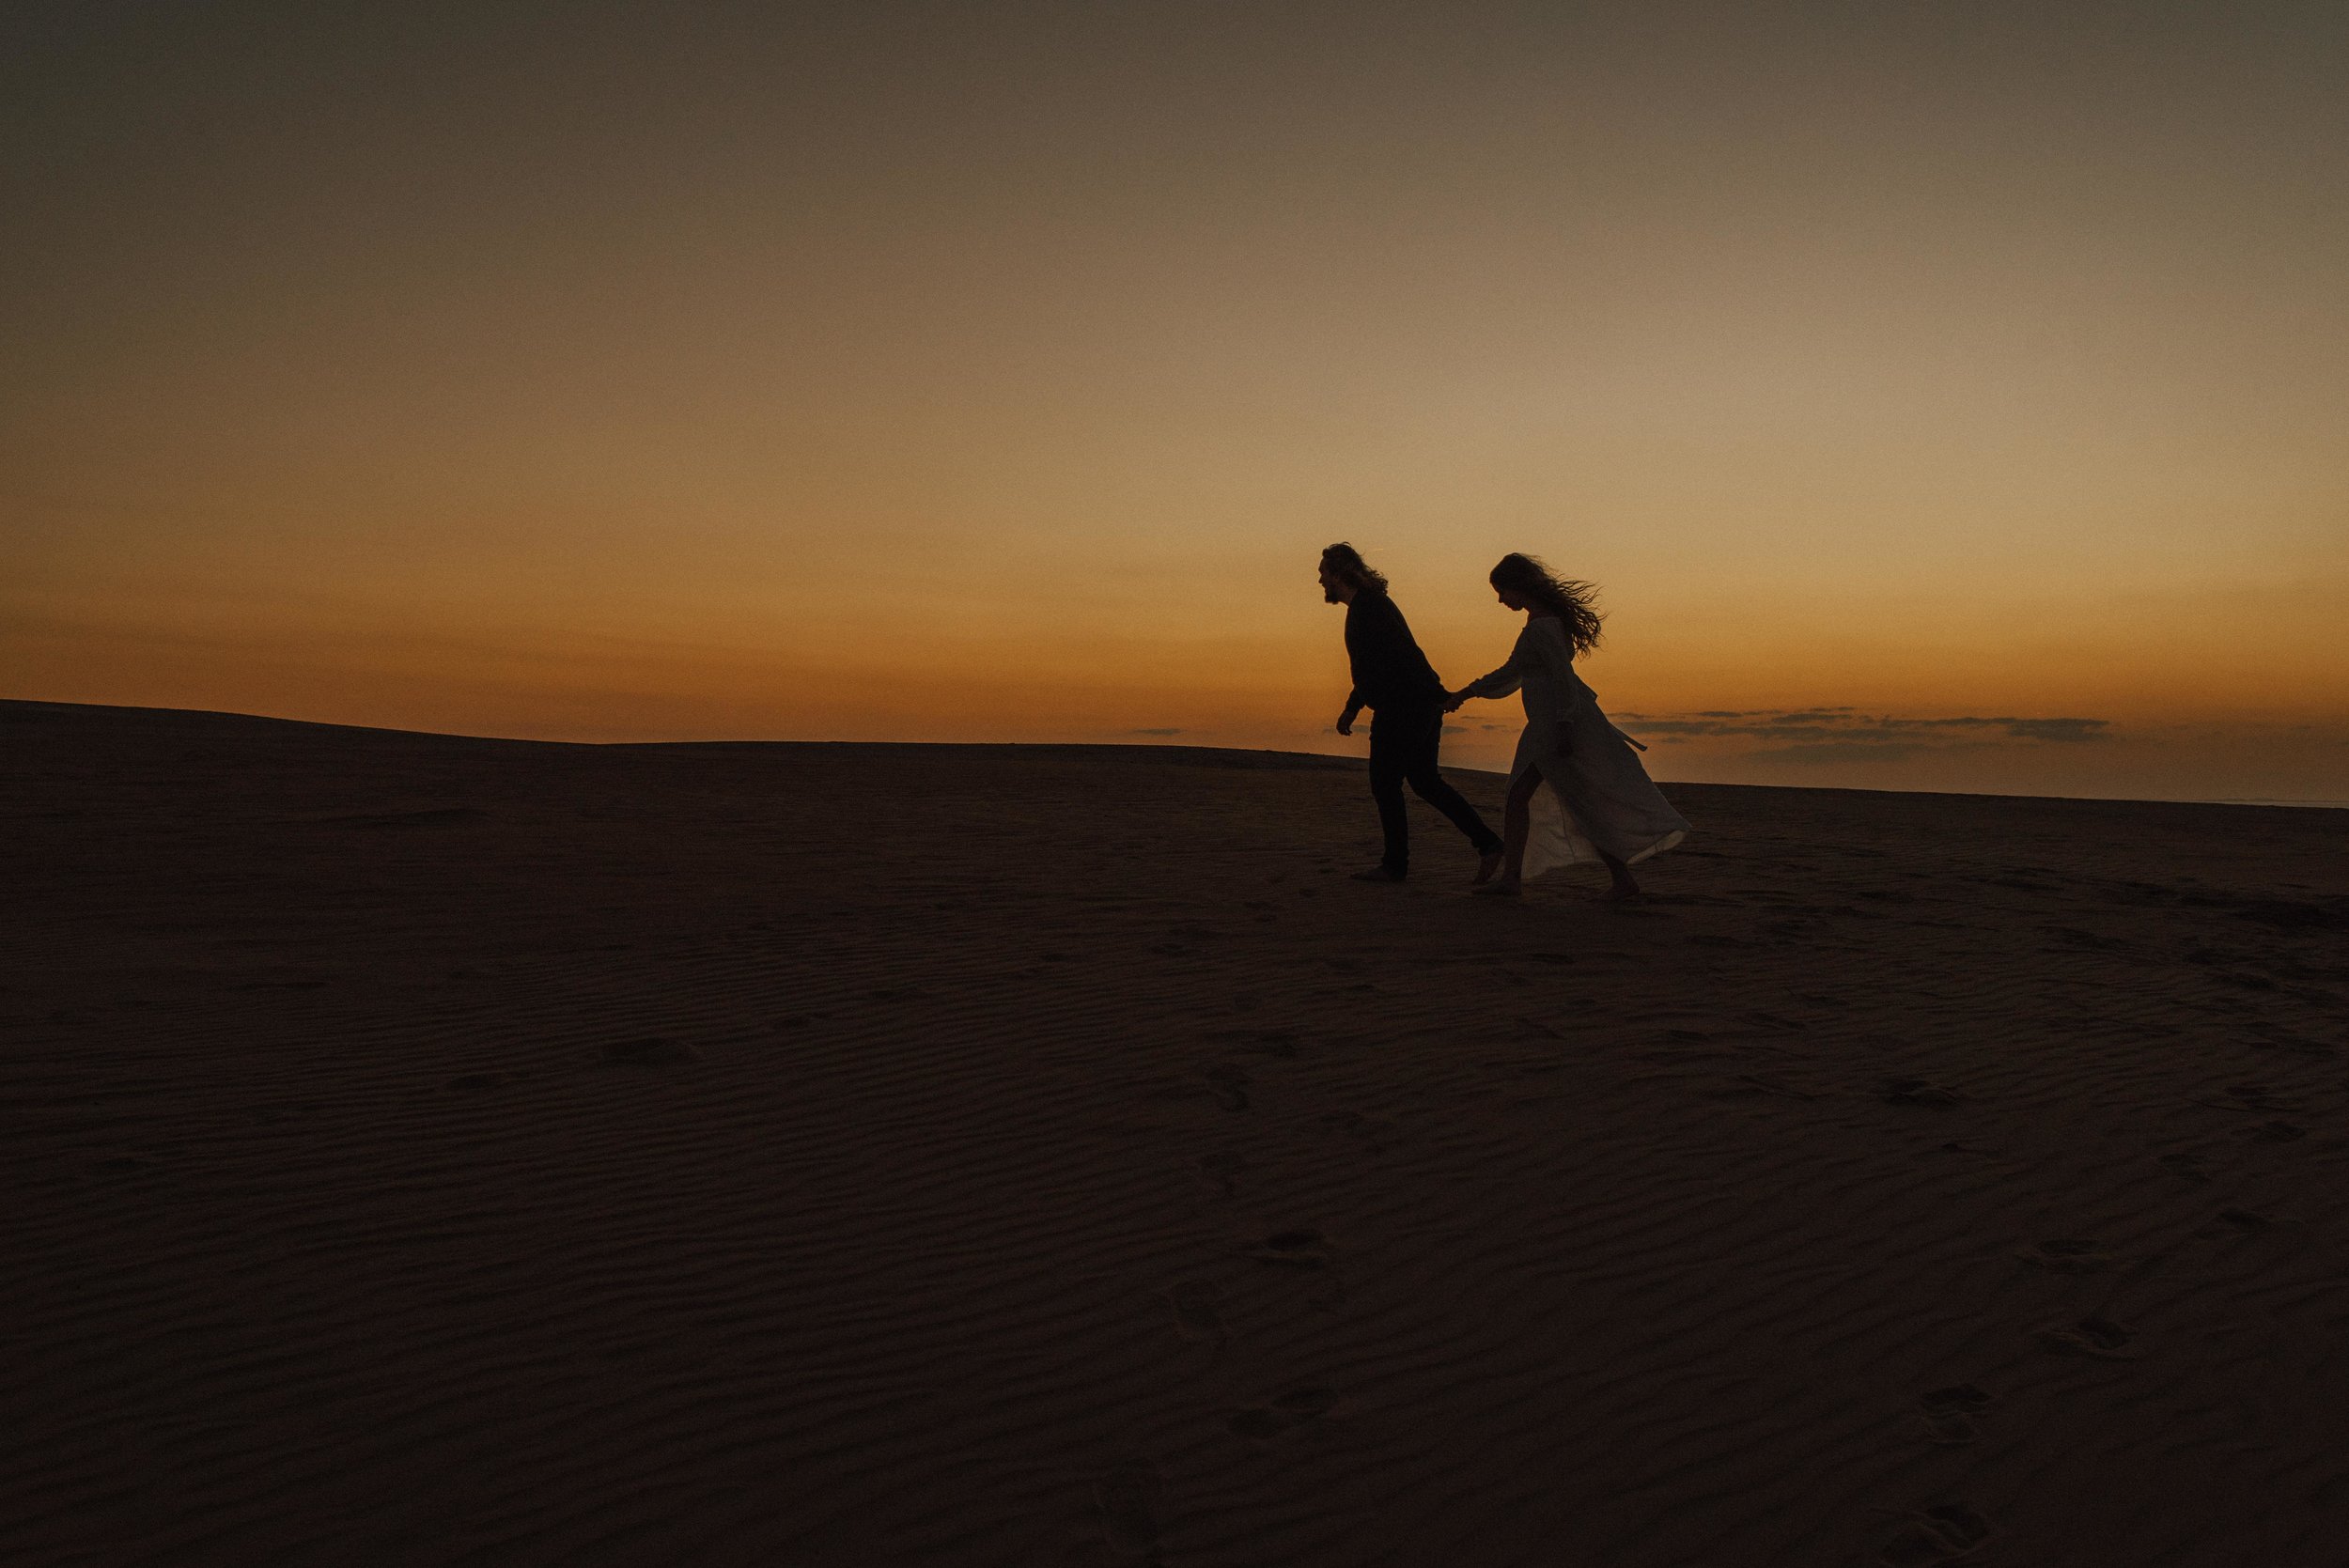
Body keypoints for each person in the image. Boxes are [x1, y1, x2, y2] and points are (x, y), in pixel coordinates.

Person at [1446, 553, 1688, 899]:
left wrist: (1563, 727)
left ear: (1518, 586)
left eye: (1502, 591)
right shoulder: (1541, 623)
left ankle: (1518, 879)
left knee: (1543, 797)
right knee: (1561, 798)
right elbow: (1514, 672)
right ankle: (1612, 879)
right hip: (1549, 723)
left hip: (1557, 723)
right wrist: (1467, 692)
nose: (1501, 600)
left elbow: (1563, 681)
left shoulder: (1543, 627)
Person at [1319, 542, 1505, 884]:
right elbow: (1376, 664)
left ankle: (1395, 865)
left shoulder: (1369, 608)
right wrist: (1354, 706)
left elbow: (1398, 657)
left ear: (1339, 573)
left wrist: (1356, 706)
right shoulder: (1369, 606)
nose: (1320, 581)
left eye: (1323, 573)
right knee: (1425, 782)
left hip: (1404, 707)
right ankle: (1489, 844)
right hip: (1416, 703)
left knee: (1386, 783)